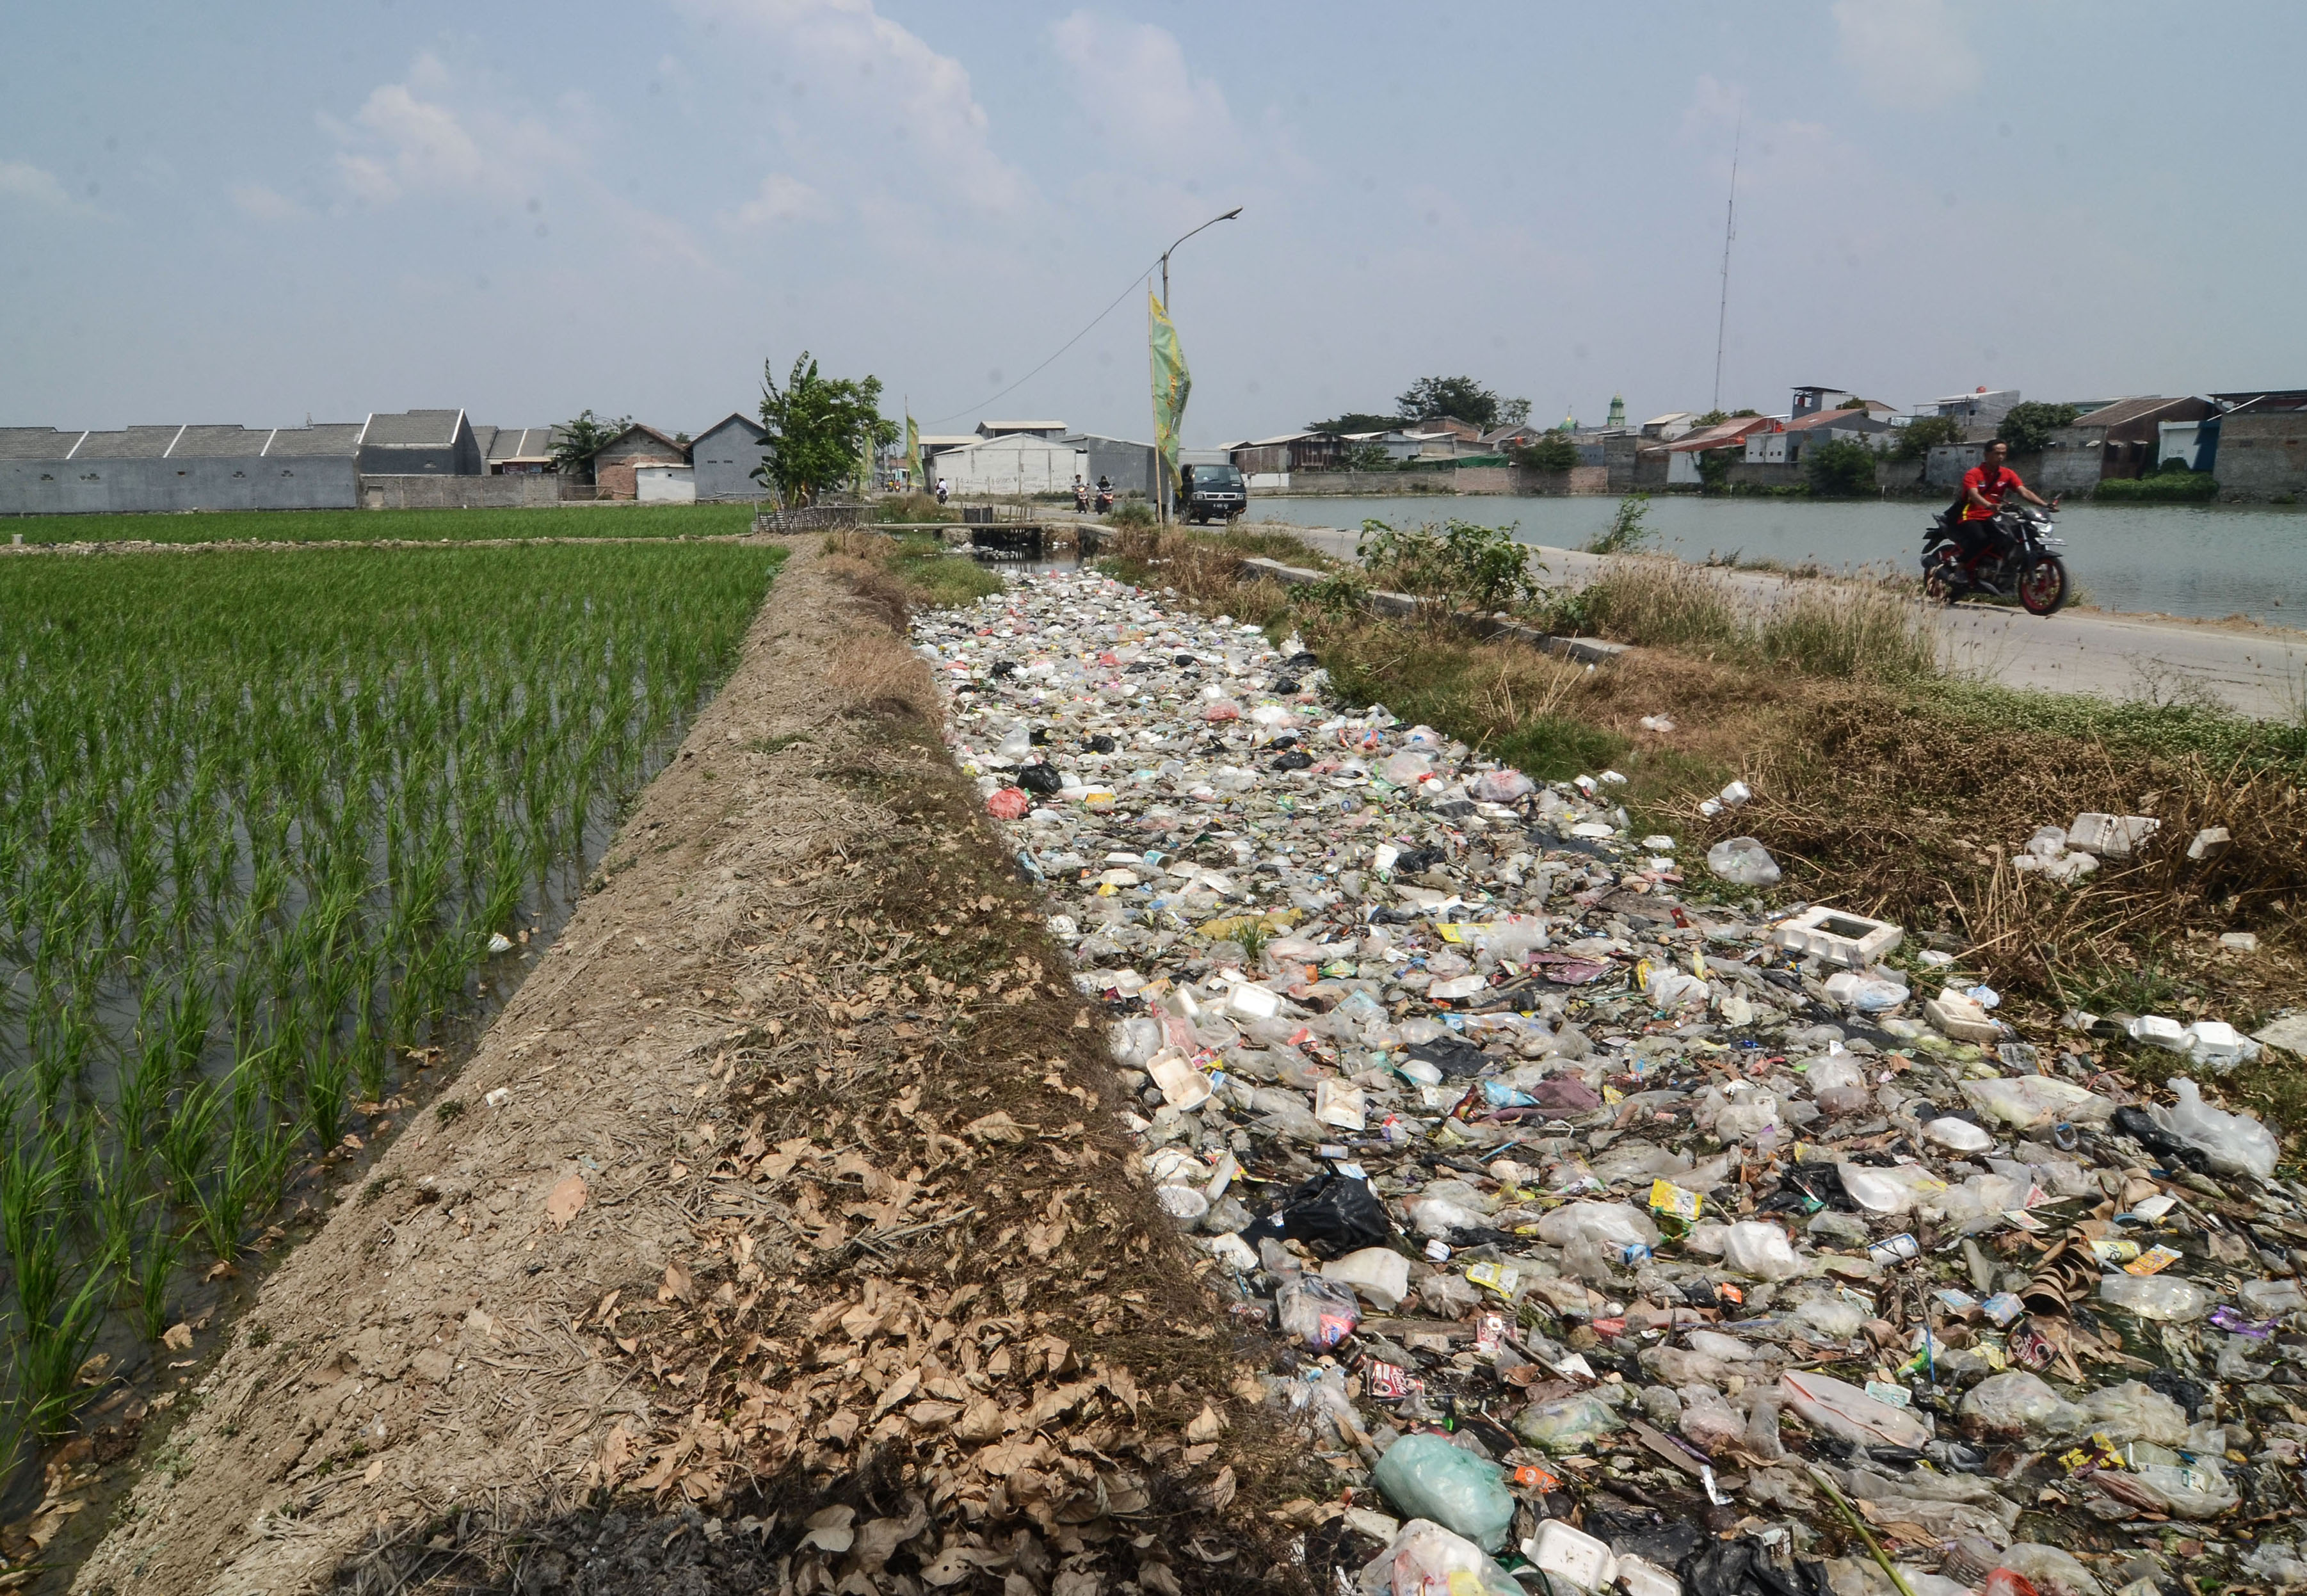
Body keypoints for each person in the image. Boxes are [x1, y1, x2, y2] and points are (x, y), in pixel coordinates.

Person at [1955, 440, 2056, 566]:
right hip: (1972, 515)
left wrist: (2045, 505)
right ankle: (1961, 566)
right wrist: (1989, 505)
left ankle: (2003, 567)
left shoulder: (2007, 474)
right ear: (1986, 455)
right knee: (1981, 540)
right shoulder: (1974, 474)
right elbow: (1973, 495)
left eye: (2003, 454)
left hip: (1996, 516)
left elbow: (2024, 492)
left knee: (2012, 537)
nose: (2001, 457)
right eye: (1997, 453)